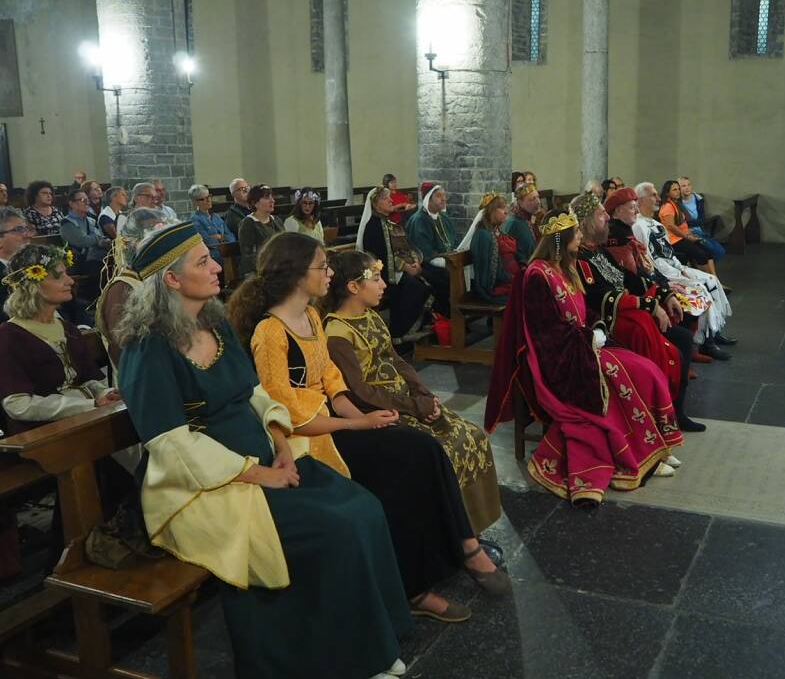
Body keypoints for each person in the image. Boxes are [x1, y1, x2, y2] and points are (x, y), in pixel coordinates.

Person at [114, 223, 411, 679]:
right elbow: (170, 445)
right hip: (201, 486)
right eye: (203, 262)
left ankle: (372, 641)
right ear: (171, 280)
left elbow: (255, 393)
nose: (217, 267)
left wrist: (280, 442)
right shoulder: (148, 348)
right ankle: (332, 660)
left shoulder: (213, 322)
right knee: (334, 528)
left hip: (267, 456)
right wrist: (259, 474)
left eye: (211, 257)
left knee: (363, 507)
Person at [227, 232, 511, 624]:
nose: (327, 273)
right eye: (321, 267)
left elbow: (331, 379)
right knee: (398, 472)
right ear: (295, 275)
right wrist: (358, 423)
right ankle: (414, 587)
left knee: (423, 449)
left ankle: (465, 546)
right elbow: (286, 410)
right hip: (307, 438)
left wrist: (357, 418)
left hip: (334, 420)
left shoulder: (309, 316)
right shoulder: (270, 332)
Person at [485, 210, 682, 506]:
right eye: (575, 233)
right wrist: (589, 339)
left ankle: (654, 446)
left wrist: (597, 328)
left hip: (579, 345)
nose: (580, 237)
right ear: (561, 240)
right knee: (632, 374)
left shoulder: (565, 267)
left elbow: (585, 311)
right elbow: (545, 332)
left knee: (646, 369)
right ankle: (641, 456)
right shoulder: (537, 275)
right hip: (557, 359)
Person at [319, 248, 503, 534]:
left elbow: (396, 359)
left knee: (472, 435)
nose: (384, 285)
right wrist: (415, 407)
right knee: (444, 451)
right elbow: (360, 390)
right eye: (377, 278)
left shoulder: (371, 316)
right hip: (382, 408)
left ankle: (473, 527)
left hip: (408, 399)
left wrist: (423, 394)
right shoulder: (337, 334)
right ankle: (451, 534)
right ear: (353, 287)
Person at [572, 191, 705, 433]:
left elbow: (628, 279)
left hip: (625, 311)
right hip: (608, 322)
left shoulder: (597, 250)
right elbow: (601, 298)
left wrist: (664, 295)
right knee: (667, 339)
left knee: (683, 337)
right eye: (602, 215)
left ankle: (675, 412)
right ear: (588, 221)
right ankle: (656, 416)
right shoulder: (582, 257)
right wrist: (649, 305)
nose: (607, 218)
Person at [0, 245, 118, 434]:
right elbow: (18, 405)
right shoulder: (9, 336)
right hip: (46, 433)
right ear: (33, 285)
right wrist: (88, 405)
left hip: (90, 418)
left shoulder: (67, 328)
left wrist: (105, 393)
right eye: (58, 276)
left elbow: (88, 378)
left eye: (67, 274)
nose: (70, 281)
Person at [604, 187, 729, 361]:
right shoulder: (625, 234)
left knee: (709, 281)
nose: (657, 198)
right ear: (618, 210)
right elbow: (641, 269)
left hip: (665, 270)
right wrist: (664, 286)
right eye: (633, 207)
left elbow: (659, 255)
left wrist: (676, 272)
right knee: (692, 291)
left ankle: (710, 335)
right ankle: (695, 347)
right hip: (654, 278)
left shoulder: (634, 229)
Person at [634, 182, 736, 350]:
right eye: (653, 195)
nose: (658, 198)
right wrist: (670, 276)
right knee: (701, 287)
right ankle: (704, 341)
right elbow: (648, 258)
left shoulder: (657, 224)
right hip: (664, 272)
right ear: (642, 200)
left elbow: (668, 251)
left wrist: (682, 268)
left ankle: (715, 331)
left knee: (711, 279)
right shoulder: (638, 225)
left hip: (674, 266)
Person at [357, 186, 435, 346]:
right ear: (375, 203)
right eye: (386, 198)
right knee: (416, 286)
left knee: (434, 276)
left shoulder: (391, 222)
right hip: (383, 273)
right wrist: (405, 267)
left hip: (400, 269)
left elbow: (406, 246)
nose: (391, 200)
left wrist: (414, 262)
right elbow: (378, 258)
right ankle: (400, 332)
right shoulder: (373, 226)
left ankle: (427, 324)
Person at [96, 208, 169, 374]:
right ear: (135, 243)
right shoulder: (123, 288)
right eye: (157, 237)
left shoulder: (154, 276)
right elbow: (125, 353)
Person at [404, 181, 455, 317]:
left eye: (443, 195)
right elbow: (422, 251)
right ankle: (444, 316)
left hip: (447, 260)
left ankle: (457, 315)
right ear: (428, 199)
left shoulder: (444, 217)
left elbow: (453, 240)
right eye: (438, 196)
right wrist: (445, 261)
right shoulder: (419, 220)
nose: (443, 199)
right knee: (446, 277)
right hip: (425, 264)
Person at [459, 192, 518, 304]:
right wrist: (513, 278)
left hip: (504, 282)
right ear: (491, 210)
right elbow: (490, 272)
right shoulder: (484, 236)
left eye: (505, 207)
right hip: (491, 289)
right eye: (501, 208)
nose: (506, 211)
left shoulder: (494, 231)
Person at [60, 189, 111, 297]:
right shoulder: (67, 223)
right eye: (83, 200)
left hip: (94, 257)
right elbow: (82, 241)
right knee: (101, 267)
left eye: (87, 200)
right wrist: (98, 240)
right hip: (78, 261)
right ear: (71, 203)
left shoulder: (91, 220)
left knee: (113, 262)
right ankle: (95, 299)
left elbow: (99, 237)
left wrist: (104, 240)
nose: (87, 202)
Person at [237, 183, 284, 278]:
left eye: (272, 197)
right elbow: (248, 255)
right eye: (267, 198)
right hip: (260, 272)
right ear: (255, 202)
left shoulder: (276, 220)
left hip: (279, 268)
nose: (272, 200)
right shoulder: (249, 223)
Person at [0, 207, 35, 322]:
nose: (27, 235)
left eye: (26, 229)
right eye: (19, 230)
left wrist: (83, 326)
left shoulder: (39, 263)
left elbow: (72, 304)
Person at [187, 184, 235, 265]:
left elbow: (231, 237)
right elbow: (208, 242)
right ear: (195, 203)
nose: (208, 200)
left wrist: (220, 237)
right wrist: (221, 239)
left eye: (208, 196)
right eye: (203, 199)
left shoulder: (216, 217)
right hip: (212, 258)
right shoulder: (194, 221)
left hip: (227, 255)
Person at [502, 183, 544, 263]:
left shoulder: (531, 219)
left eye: (538, 197)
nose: (538, 202)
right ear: (520, 203)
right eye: (532, 199)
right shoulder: (513, 224)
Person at [678, 176, 726, 241]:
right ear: (679, 189)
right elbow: (680, 222)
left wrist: (690, 223)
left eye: (689, 185)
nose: (687, 188)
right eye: (683, 186)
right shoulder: (677, 202)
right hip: (685, 231)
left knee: (716, 248)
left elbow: (702, 220)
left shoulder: (699, 199)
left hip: (699, 229)